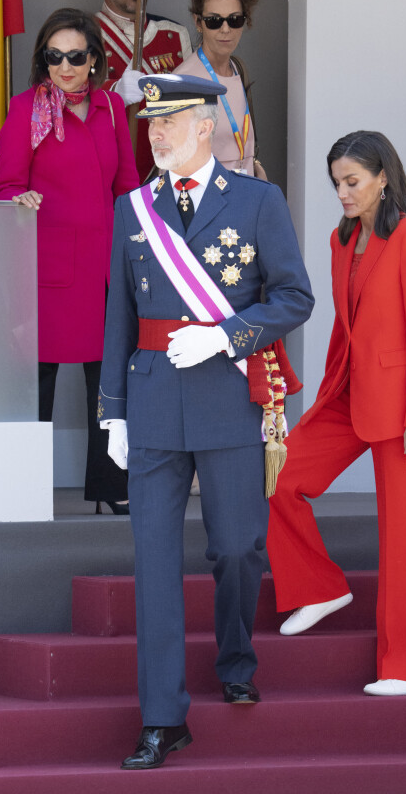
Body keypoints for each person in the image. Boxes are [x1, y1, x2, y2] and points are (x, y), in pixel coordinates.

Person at [98, 72, 314, 769]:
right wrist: (113, 413)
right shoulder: (133, 208)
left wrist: (227, 335)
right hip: (155, 398)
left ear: (205, 127)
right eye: (151, 122)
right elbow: (118, 319)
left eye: (171, 121)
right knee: (154, 566)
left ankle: (235, 653)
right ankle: (163, 718)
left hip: (228, 395)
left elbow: (293, 297)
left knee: (239, 547)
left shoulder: (256, 201)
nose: (156, 133)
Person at [266, 131, 406, 697]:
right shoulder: (341, 240)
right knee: (277, 476)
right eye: (337, 183)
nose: (342, 193)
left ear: (382, 179)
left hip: (404, 409)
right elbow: (347, 327)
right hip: (347, 393)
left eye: (352, 182)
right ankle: (319, 587)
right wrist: (325, 392)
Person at [0, 8, 139, 515]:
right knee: (40, 380)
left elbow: (127, 187)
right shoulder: (25, 109)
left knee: (109, 379)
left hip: (104, 265)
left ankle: (109, 486)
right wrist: (21, 198)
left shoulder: (112, 109)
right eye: (54, 57)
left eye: (75, 56)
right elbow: (6, 183)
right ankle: (20, 490)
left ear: (94, 59)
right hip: (49, 267)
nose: (64, 66)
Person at [64, 0, 192, 181]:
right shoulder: (81, 38)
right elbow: (66, 112)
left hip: (166, 181)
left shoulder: (174, 35)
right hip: (104, 181)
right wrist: (114, 95)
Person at [175, 0, 266, 179]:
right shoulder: (183, 81)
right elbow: (174, 166)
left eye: (235, 20)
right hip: (208, 203)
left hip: (245, 197)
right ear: (198, 22)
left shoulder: (238, 69)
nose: (225, 29)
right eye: (214, 21)